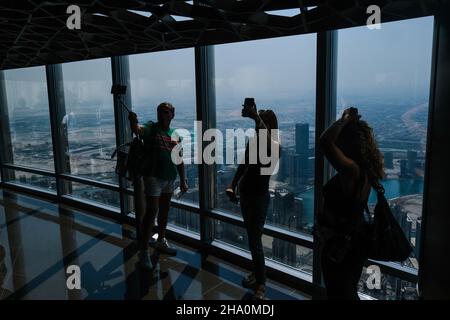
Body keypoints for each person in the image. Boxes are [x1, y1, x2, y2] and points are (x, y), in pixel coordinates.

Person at [318, 107, 385, 299]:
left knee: (338, 292)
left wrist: (345, 119)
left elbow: (325, 142)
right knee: (346, 290)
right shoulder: (364, 169)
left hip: (340, 247)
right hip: (353, 243)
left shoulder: (352, 170)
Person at [227, 99, 280, 300]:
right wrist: (233, 184)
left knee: (255, 241)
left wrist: (256, 117)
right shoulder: (256, 142)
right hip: (248, 194)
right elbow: (244, 164)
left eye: (264, 122)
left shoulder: (274, 145)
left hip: (258, 197)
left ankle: (261, 285)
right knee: (252, 239)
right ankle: (257, 275)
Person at [128, 102, 188, 270]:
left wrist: (183, 179)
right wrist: (133, 122)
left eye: (167, 112)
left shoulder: (175, 134)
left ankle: (161, 239)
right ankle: (144, 250)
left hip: (169, 177)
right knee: (152, 211)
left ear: (172, 115)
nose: (163, 115)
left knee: (164, 210)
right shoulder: (151, 128)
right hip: (153, 176)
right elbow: (138, 130)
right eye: (161, 112)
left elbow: (179, 159)